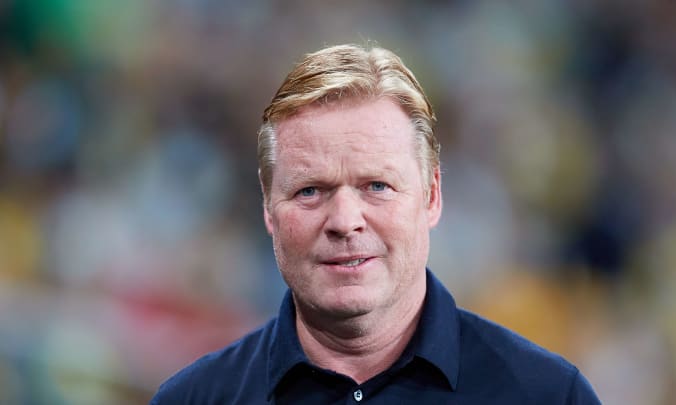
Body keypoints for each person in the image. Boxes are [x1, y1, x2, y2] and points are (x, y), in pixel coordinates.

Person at [151, 43, 601, 404]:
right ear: (269, 208)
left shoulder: (548, 395)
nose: (345, 221)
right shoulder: (194, 399)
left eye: (377, 186)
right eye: (310, 191)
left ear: (431, 196)